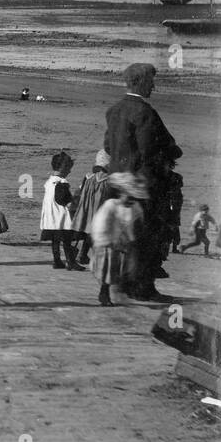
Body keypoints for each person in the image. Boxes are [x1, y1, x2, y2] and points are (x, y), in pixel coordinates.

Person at [103, 62, 181, 301]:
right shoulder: (145, 112)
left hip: (115, 180)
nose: (153, 86)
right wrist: (171, 154)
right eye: (151, 82)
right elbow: (149, 149)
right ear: (140, 82)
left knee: (122, 236)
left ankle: (123, 283)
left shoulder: (114, 110)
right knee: (148, 236)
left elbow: (108, 146)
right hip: (141, 184)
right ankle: (143, 288)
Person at [90, 172, 147, 307]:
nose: (130, 201)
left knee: (119, 270)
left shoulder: (135, 208)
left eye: (133, 198)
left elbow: (135, 224)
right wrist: (104, 239)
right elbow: (100, 223)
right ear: (122, 192)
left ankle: (120, 291)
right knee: (107, 270)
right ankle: (104, 293)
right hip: (107, 244)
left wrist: (132, 239)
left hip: (123, 245)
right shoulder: (111, 205)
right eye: (129, 196)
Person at [40, 150, 82, 271]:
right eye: (68, 167)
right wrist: (74, 201)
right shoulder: (61, 183)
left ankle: (57, 261)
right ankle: (71, 262)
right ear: (63, 168)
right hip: (61, 217)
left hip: (50, 216)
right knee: (67, 241)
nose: (70, 171)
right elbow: (63, 200)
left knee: (55, 240)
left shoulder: (50, 182)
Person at [70, 150, 110, 266]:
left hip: (87, 210)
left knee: (89, 231)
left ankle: (83, 254)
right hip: (100, 211)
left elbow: (81, 191)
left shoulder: (88, 177)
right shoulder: (109, 180)